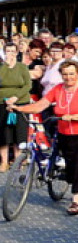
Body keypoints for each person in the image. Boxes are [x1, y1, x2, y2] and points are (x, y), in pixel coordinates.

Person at [9, 59, 78, 216]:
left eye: (71, 74)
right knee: (70, 167)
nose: (68, 77)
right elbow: (41, 105)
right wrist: (19, 108)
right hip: (64, 132)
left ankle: (76, 201)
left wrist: (73, 117)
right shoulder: (58, 89)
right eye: (65, 74)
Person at [0, 41, 31, 171]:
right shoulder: (1, 67)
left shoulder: (22, 67)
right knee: (4, 133)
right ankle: (4, 161)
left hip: (21, 101)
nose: (10, 54)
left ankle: (18, 161)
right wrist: (5, 66)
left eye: (13, 51)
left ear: (17, 53)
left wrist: (16, 97)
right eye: (8, 51)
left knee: (19, 133)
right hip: (3, 102)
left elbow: (27, 85)